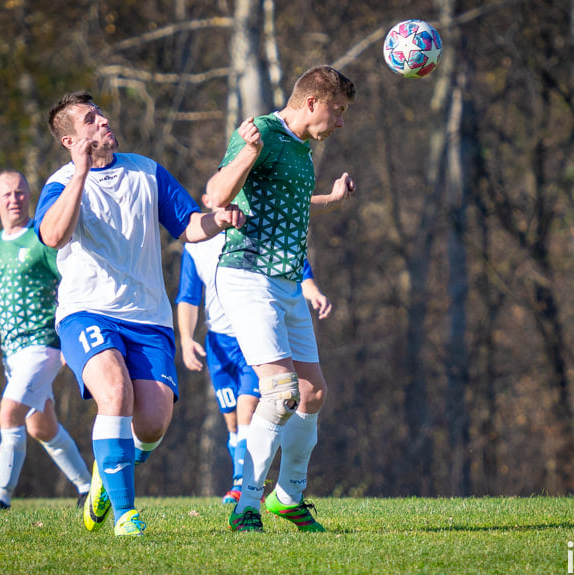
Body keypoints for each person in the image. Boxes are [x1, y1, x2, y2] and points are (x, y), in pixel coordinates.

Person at [34, 91, 243, 537]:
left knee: (151, 424)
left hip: (149, 317)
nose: (103, 121)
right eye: (90, 120)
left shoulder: (146, 170)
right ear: (71, 140)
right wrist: (81, 174)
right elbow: (52, 236)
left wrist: (219, 221)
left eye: (101, 113)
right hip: (87, 312)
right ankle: (126, 515)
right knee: (115, 394)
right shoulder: (60, 183)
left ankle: (106, 478)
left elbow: (188, 226)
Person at [205, 65, 356, 532]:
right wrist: (249, 152)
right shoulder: (262, 133)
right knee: (281, 391)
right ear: (313, 101)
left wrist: (327, 199)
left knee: (312, 393)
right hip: (248, 275)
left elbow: (283, 193)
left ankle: (287, 497)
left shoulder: (301, 146)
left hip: (286, 282)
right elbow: (216, 194)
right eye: (338, 109)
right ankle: (247, 502)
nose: (340, 122)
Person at [0, 170, 92, 512]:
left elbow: (71, 283)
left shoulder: (40, 238)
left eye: (20, 192)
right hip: (12, 354)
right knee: (41, 426)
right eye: (7, 194)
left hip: (44, 343)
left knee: (9, 411)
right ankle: (87, 488)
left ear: (29, 195)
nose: (14, 199)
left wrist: (68, 336)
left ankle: (1, 498)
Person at [175, 208, 332, 504]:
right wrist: (185, 338)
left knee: (252, 405)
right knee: (233, 421)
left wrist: (311, 292)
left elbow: (300, 267)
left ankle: (243, 488)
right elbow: (187, 297)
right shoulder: (196, 246)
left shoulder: (257, 229)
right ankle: (250, 479)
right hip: (218, 344)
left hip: (253, 334)